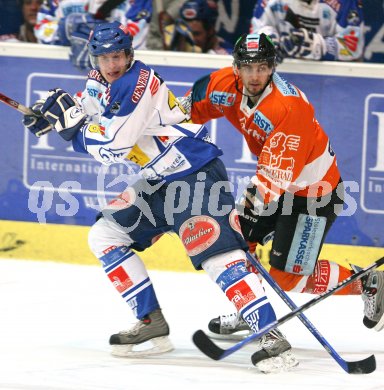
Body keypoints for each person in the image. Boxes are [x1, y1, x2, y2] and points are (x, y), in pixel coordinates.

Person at [22, 21, 299, 373]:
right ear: (94, 59)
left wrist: (71, 130)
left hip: (195, 172)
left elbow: (114, 146)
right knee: (105, 235)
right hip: (159, 180)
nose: (112, 64)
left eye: (118, 55)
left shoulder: (140, 83)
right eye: (104, 57)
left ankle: (269, 334)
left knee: (217, 256)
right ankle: (151, 321)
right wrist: (53, 115)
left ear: (129, 54)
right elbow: (91, 116)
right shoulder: (97, 81)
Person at [180, 32, 384, 339]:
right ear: (236, 67)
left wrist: (242, 209)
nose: (255, 75)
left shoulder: (288, 108)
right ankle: (252, 309)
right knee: (237, 243)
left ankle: (368, 283)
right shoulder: (223, 84)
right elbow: (185, 109)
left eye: (262, 67)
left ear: (272, 68)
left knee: (286, 278)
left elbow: (274, 180)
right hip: (279, 185)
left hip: (314, 195)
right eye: (248, 67)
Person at [34, 0, 151, 69]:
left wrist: (98, 43)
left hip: (119, 75)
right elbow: (41, 28)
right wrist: (65, 29)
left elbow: (134, 38)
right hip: (62, 72)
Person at [250, 0, 364, 62]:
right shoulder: (269, 2)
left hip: (330, 81)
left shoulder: (345, 2)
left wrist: (316, 45)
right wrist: (267, 40)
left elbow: (352, 47)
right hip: (281, 76)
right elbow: (254, 35)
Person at [163, 0, 233, 54]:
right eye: (187, 32)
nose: (191, 38)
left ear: (210, 31)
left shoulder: (226, 56)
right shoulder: (181, 47)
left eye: (196, 34)